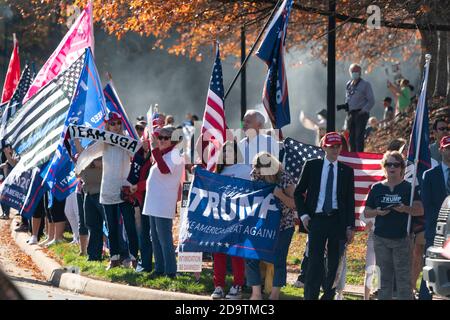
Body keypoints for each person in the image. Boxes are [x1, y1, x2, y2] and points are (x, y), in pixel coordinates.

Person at [294, 132, 355, 300]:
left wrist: (351, 226)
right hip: (317, 220)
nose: (335, 149)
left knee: (334, 263)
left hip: (337, 221)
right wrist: (304, 215)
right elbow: (299, 193)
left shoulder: (347, 171)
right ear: (324, 147)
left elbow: (350, 201)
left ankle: (328, 294)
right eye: (331, 146)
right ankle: (310, 296)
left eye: (338, 146)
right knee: (315, 262)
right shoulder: (312, 166)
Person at [76, 111, 139, 269]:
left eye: (118, 123)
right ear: (107, 125)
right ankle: (114, 258)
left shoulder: (126, 141)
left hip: (124, 188)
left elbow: (136, 152)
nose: (116, 126)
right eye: (112, 123)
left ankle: (134, 258)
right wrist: (79, 166)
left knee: (130, 225)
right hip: (108, 187)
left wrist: (140, 144)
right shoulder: (103, 142)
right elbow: (88, 154)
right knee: (111, 226)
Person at [364, 151, 423, 300]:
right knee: (384, 281)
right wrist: (377, 211)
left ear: (402, 167)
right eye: (388, 164)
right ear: (384, 167)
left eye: (396, 164)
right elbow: (366, 212)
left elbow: (420, 210)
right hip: (381, 239)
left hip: (402, 239)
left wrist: (405, 209)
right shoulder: (376, 188)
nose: (392, 167)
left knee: (404, 281)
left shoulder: (409, 188)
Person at [246, 152, 296, 300]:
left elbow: (295, 204)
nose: (258, 171)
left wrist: (280, 195)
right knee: (251, 256)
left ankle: (275, 295)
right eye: (257, 168)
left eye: (262, 168)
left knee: (279, 259)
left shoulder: (284, 177)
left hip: (283, 225)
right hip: (261, 224)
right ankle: (256, 294)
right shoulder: (255, 174)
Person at [142, 125, 185, 278]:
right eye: (160, 137)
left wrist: (154, 150)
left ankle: (170, 271)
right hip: (154, 202)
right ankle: (160, 269)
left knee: (164, 237)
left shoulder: (176, 155)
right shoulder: (164, 154)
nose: (161, 140)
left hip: (163, 202)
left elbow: (165, 170)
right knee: (154, 236)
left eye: (165, 137)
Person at [210, 141, 248, 300]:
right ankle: (218, 286)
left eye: (231, 151)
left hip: (238, 218)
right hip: (219, 218)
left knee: (236, 252)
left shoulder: (245, 169)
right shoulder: (219, 170)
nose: (227, 154)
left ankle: (237, 285)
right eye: (224, 151)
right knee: (218, 252)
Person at [419, 135, 450, 300]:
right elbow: (427, 204)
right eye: (448, 148)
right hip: (437, 230)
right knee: (431, 268)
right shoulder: (429, 175)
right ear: (441, 149)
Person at [128, 134, 153, 273]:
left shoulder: (155, 157)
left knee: (151, 234)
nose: (146, 141)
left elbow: (153, 180)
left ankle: (154, 265)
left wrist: (139, 187)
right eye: (145, 138)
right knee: (144, 233)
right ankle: (145, 263)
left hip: (153, 200)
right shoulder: (139, 155)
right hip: (142, 199)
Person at [344, 63, 375, 152]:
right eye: (353, 71)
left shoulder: (365, 84)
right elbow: (347, 98)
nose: (355, 73)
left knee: (359, 137)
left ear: (360, 72)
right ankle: (352, 156)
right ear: (350, 72)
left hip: (361, 114)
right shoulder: (348, 84)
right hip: (350, 114)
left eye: (357, 71)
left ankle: (359, 156)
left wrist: (363, 110)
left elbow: (371, 101)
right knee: (351, 138)